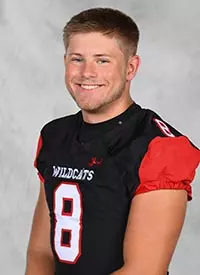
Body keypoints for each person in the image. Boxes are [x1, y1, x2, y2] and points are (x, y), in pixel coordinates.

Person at [25, 7, 200, 275]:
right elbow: (41, 251)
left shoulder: (159, 147)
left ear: (131, 68)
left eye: (102, 60)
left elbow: (143, 270)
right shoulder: (54, 136)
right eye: (77, 59)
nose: (87, 73)